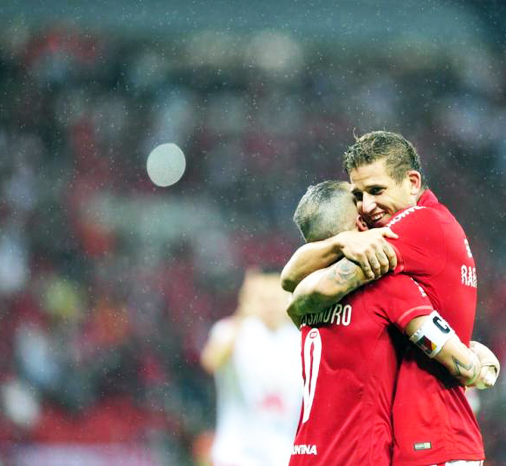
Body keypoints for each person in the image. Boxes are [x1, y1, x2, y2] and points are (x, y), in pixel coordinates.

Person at [282, 131, 490, 465]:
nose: (367, 207)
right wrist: (474, 362)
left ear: (412, 182)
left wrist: (297, 303)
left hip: (434, 440)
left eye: (377, 191)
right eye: (360, 195)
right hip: (417, 443)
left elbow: (299, 286)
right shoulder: (398, 270)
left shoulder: (417, 225)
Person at [200, 270, 302, 466]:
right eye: (264, 298)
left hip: (282, 456)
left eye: (276, 298)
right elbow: (211, 361)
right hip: (236, 455)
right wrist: (243, 313)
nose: (271, 305)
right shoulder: (234, 331)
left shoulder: (299, 339)